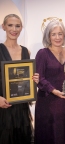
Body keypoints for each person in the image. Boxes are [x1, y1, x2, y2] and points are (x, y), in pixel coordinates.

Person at [34, 18, 65, 144]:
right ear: (48, 36)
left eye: (60, 34)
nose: (57, 37)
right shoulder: (42, 53)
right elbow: (39, 78)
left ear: (64, 35)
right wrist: (53, 90)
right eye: (53, 34)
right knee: (49, 134)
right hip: (48, 102)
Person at [0, 14, 39, 144]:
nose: (14, 29)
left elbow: (25, 77)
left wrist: (34, 79)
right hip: (3, 108)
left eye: (18, 26)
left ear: (21, 28)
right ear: (3, 27)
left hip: (21, 107)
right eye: (10, 25)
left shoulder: (25, 51)